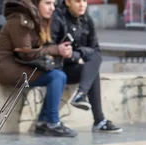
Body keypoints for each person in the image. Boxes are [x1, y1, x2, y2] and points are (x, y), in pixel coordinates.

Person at [0, 0, 77, 137]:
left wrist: (61, 50)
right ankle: (51, 122)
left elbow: (39, 49)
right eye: (47, 3)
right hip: (7, 68)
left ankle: (44, 122)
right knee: (57, 76)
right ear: (35, 3)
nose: (52, 8)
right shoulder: (20, 20)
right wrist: (55, 50)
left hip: (20, 65)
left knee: (59, 75)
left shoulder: (36, 19)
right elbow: (26, 54)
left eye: (53, 4)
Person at [51, 0, 122, 133]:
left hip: (77, 66)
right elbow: (52, 48)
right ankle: (98, 119)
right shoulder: (58, 18)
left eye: (84, 1)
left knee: (94, 63)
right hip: (60, 67)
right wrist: (76, 57)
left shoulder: (86, 20)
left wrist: (77, 54)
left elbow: (95, 50)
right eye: (77, 1)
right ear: (67, 2)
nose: (82, 4)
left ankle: (82, 95)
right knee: (93, 68)